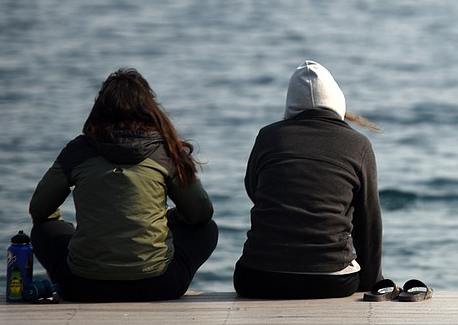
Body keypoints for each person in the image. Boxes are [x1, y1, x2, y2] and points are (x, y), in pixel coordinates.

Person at [28, 68, 218, 302]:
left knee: (44, 229)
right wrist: (169, 219)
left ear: (99, 109)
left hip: (82, 287)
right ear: (149, 108)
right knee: (206, 229)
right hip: (159, 286)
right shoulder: (165, 151)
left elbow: (39, 209)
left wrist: (79, 230)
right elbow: (200, 213)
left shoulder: (79, 150)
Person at [234, 61, 383, 299]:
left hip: (257, 278)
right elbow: (369, 221)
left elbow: (253, 190)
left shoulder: (268, 136)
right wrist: (372, 282)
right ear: (337, 100)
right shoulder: (358, 144)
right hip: (332, 282)